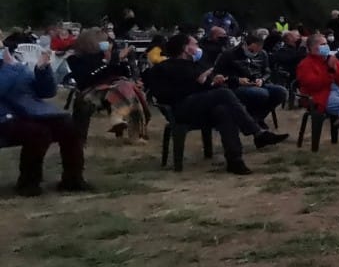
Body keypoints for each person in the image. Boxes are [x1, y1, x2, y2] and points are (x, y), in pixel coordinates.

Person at [141, 34, 289, 175]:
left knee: (224, 110)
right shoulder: (163, 68)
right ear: (186, 48)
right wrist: (196, 83)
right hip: (180, 109)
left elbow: (208, 88)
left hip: (202, 108)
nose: (198, 47)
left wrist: (215, 82)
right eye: (195, 44)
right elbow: (162, 95)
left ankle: (235, 160)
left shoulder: (197, 65)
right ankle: (257, 132)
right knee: (223, 95)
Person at [0, 47, 89, 196]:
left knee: (68, 124)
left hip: (28, 113)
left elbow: (46, 92)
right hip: (4, 118)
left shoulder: (15, 67)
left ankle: (73, 180)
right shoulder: (13, 67)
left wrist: (42, 70)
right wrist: (13, 67)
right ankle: (28, 183)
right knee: (37, 132)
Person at [66, 29, 150, 142]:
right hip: (91, 91)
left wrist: (112, 61)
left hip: (112, 89)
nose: (108, 44)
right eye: (104, 42)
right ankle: (120, 119)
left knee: (125, 86)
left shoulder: (106, 56)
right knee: (123, 88)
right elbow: (88, 79)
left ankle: (126, 125)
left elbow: (122, 72)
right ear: (91, 43)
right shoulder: (75, 59)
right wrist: (108, 63)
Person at [217, 30, 287, 126]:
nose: (254, 53)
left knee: (281, 92)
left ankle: (256, 118)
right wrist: (237, 79)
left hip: (259, 83)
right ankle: (251, 119)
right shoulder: (229, 54)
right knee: (261, 94)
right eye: (251, 51)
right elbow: (218, 74)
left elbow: (267, 71)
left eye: (257, 51)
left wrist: (262, 79)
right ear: (245, 44)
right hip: (236, 85)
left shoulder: (262, 54)